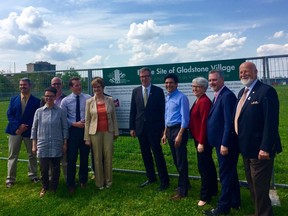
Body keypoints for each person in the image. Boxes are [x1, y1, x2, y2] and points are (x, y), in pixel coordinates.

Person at [235, 62, 282, 216]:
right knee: (253, 185)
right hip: (246, 148)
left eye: (246, 71)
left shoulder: (266, 91)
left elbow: (271, 122)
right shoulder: (242, 91)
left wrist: (266, 147)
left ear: (255, 72)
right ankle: (259, 212)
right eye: (241, 72)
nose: (243, 74)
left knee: (260, 187)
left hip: (260, 149)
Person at [204, 70, 241, 216]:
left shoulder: (227, 96)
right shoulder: (218, 95)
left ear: (222, 80)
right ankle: (235, 201)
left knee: (225, 175)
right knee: (230, 174)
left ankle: (223, 207)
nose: (212, 83)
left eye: (215, 80)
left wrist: (224, 144)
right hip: (220, 143)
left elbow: (228, 123)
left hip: (225, 145)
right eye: (210, 80)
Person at [129, 67, 169, 191]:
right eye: (141, 77)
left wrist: (164, 129)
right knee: (145, 154)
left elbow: (163, 111)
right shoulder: (136, 91)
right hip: (141, 128)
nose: (144, 79)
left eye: (146, 76)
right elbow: (133, 111)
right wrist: (132, 127)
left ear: (150, 77)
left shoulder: (158, 91)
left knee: (157, 154)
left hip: (155, 129)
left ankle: (164, 181)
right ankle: (151, 178)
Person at [31, 87, 68, 197]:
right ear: (44, 97)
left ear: (55, 97)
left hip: (57, 143)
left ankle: (54, 187)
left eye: (51, 96)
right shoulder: (39, 112)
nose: (48, 98)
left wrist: (65, 143)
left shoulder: (61, 111)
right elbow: (34, 128)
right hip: (43, 144)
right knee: (44, 168)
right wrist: (34, 144)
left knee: (56, 167)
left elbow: (64, 128)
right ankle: (45, 187)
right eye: (46, 96)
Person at [84, 77, 119, 189]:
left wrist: (116, 132)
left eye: (98, 86)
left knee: (108, 157)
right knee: (97, 158)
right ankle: (99, 182)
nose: (96, 89)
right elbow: (87, 121)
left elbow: (114, 117)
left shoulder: (109, 100)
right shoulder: (89, 102)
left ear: (102, 87)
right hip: (95, 133)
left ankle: (109, 181)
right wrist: (87, 138)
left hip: (108, 132)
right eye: (94, 87)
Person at [5, 77, 40, 188]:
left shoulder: (36, 101)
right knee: (12, 155)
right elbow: (9, 114)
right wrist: (18, 126)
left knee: (32, 154)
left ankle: (33, 175)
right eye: (20, 85)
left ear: (30, 86)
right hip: (14, 131)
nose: (22, 87)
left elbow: (36, 116)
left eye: (24, 85)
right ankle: (10, 178)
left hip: (29, 131)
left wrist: (25, 127)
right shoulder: (13, 99)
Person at [188, 77, 218, 207]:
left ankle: (205, 196)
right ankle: (213, 190)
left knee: (204, 167)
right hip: (199, 138)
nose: (194, 88)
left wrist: (201, 142)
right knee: (208, 165)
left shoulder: (204, 102)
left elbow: (205, 123)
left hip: (202, 140)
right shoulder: (198, 100)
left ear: (204, 88)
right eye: (193, 86)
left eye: (198, 86)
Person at [161, 73, 190, 201]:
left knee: (181, 161)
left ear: (176, 84)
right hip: (170, 130)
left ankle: (182, 190)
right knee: (175, 159)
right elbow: (167, 117)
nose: (168, 85)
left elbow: (185, 118)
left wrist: (179, 135)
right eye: (166, 83)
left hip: (179, 130)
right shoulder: (167, 97)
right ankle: (186, 183)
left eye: (171, 83)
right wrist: (164, 133)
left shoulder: (181, 97)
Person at [60, 77, 91, 194]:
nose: (79, 87)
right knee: (71, 158)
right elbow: (63, 118)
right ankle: (71, 183)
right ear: (71, 87)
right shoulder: (65, 101)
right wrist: (74, 123)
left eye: (80, 85)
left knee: (84, 156)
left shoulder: (88, 98)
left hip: (85, 131)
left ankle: (83, 180)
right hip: (72, 131)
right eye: (76, 85)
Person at [50, 77, 67, 181]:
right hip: (49, 133)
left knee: (65, 159)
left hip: (62, 132)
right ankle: (51, 180)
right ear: (51, 85)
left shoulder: (66, 99)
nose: (56, 86)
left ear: (62, 84)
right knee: (50, 159)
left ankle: (67, 180)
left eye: (58, 84)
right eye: (54, 84)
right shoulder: (45, 99)